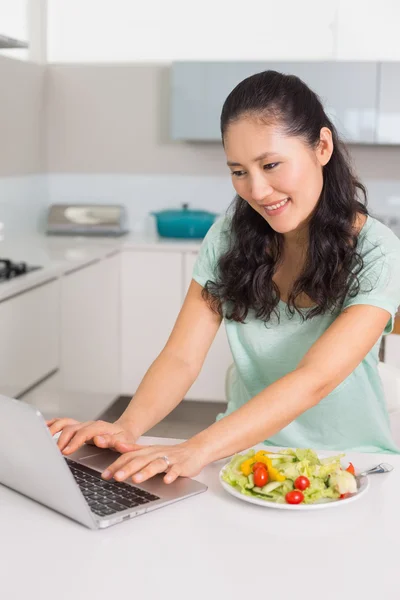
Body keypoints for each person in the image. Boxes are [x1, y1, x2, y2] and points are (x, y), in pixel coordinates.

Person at [47, 70, 400, 488]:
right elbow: (182, 358)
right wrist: (126, 428)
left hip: (350, 467)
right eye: (238, 171)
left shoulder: (376, 249)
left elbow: (315, 378)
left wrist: (196, 446)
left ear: (321, 147)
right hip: (243, 460)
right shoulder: (229, 236)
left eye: (270, 165)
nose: (258, 190)